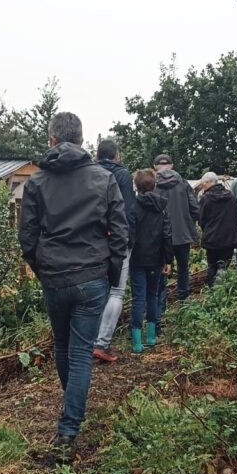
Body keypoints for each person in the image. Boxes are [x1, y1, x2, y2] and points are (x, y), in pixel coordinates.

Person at [18, 112, 129, 463]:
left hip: (55, 277)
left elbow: (27, 238)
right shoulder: (103, 179)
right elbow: (120, 233)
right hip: (92, 275)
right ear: (82, 140)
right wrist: (110, 273)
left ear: (51, 140)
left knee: (63, 346)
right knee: (80, 352)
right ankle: (69, 429)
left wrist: (42, 267)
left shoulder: (36, 183)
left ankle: (72, 408)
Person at [93, 139, 137, 364]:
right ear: (116, 155)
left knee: (99, 288)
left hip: (94, 241)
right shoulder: (122, 175)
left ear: (98, 155)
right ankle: (102, 343)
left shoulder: (88, 173)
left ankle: (90, 339)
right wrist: (129, 239)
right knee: (117, 291)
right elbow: (128, 209)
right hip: (118, 239)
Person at [129, 169, 173, 353]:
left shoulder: (133, 207)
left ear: (136, 187)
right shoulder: (161, 208)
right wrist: (168, 259)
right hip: (156, 258)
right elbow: (167, 235)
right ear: (155, 185)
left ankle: (137, 342)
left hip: (137, 259)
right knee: (153, 295)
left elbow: (129, 235)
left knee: (138, 297)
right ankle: (152, 336)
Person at [153, 153, 199, 316]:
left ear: (155, 167)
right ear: (172, 166)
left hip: (159, 237)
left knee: (161, 270)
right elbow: (195, 209)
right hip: (182, 235)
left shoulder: (153, 185)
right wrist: (186, 224)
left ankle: (161, 306)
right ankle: (183, 302)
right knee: (183, 268)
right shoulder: (183, 184)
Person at [197, 172, 237, 287]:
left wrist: (207, 230)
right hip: (229, 238)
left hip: (212, 238)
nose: (203, 187)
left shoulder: (206, 199)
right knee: (224, 265)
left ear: (209, 182)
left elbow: (201, 219)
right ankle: (221, 289)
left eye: (203, 184)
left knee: (212, 265)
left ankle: (211, 289)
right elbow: (235, 216)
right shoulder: (231, 197)